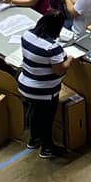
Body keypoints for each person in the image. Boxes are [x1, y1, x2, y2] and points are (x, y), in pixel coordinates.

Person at [19, 10, 70, 159]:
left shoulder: (27, 35)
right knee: (46, 119)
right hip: (44, 91)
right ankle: (47, 148)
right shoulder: (52, 48)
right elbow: (59, 70)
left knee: (35, 112)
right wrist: (70, 60)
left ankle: (33, 139)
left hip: (25, 83)